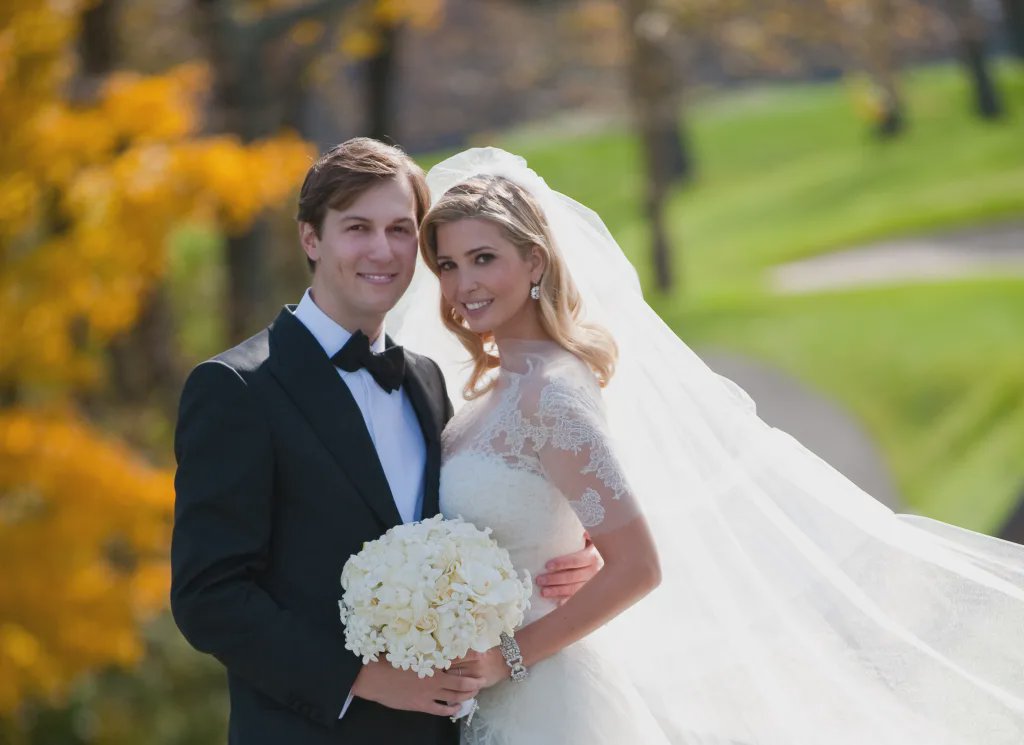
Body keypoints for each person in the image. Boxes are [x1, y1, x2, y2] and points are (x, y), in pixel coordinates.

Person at [389, 147, 1024, 745]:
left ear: (534, 262)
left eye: (483, 258)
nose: (462, 283)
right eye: (447, 264)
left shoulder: (549, 394)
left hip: (540, 699)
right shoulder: (491, 392)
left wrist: (509, 658)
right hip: (482, 697)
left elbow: (639, 566)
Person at [169, 138, 602, 745]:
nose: (383, 250)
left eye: (401, 229)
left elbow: (472, 524)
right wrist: (361, 679)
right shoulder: (237, 388)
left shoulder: (426, 381)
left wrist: (566, 556)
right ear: (311, 238)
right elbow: (207, 597)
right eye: (357, 227)